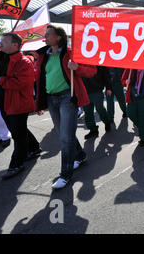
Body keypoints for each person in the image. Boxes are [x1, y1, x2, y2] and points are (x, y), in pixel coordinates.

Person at [36, 25, 96, 189]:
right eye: (46, 35)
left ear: (59, 37)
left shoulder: (71, 53)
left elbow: (91, 71)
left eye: (49, 34)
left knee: (65, 137)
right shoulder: (43, 55)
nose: (45, 37)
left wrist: (77, 67)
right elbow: (41, 78)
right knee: (64, 133)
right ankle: (81, 155)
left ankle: (66, 174)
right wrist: (39, 101)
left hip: (67, 98)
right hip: (51, 99)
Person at [0, 33, 40, 179]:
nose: (0, 44)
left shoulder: (24, 62)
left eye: (3, 41)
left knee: (18, 134)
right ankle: (34, 148)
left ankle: (16, 164)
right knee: (18, 129)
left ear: (14, 45)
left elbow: (20, 83)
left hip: (18, 104)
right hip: (2, 103)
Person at [121, 69, 144, 146]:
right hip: (132, 97)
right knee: (130, 113)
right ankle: (143, 129)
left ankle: (143, 137)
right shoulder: (130, 68)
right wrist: (125, 82)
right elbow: (123, 80)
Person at [82, 66, 113, 139]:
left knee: (100, 109)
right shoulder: (81, 60)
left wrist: (108, 87)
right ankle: (93, 130)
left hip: (97, 90)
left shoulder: (99, 60)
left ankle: (107, 122)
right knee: (87, 111)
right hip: (85, 91)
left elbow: (106, 75)